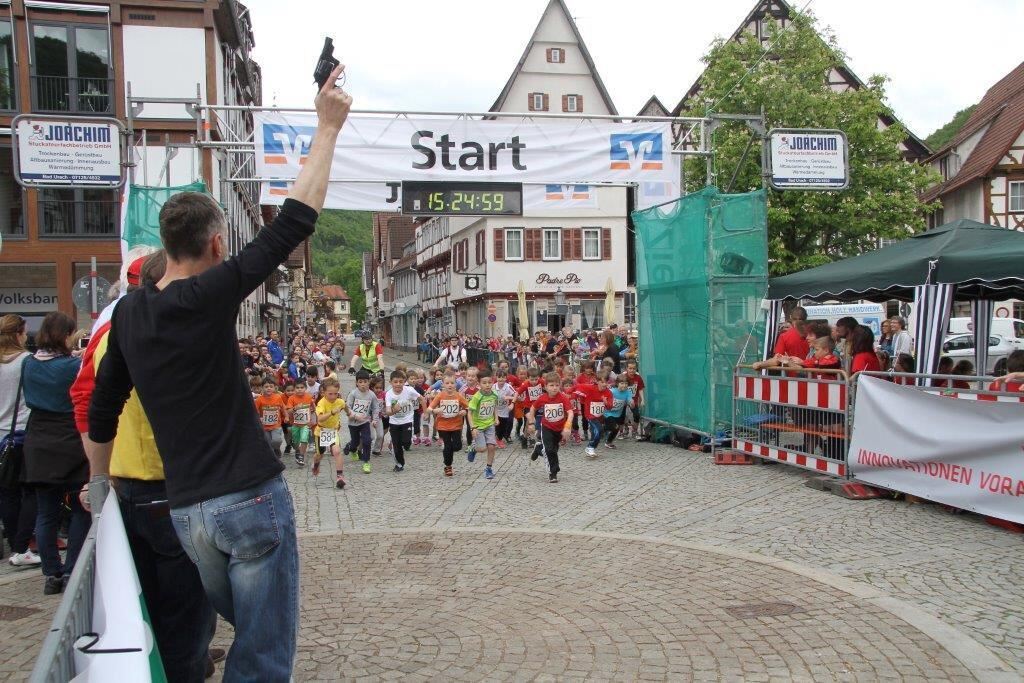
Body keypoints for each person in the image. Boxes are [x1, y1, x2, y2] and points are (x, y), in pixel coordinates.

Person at [86, 64, 352, 681]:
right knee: (260, 654)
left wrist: (100, 490)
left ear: (163, 242)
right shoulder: (211, 295)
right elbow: (295, 221)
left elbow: (103, 408)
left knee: (248, 635)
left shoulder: (127, 314)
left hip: (187, 514)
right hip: (250, 497)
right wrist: (328, 128)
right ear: (214, 245)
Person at [70, 252, 219, 680]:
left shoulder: (106, 336)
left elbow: (84, 403)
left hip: (126, 487)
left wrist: (97, 475)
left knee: (144, 604)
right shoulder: (186, 331)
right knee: (186, 615)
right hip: (179, 486)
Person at [23, 312, 90, 595]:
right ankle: (72, 569)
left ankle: (51, 573)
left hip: (38, 438)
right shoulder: (72, 366)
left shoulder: (27, 364)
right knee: (78, 508)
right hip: (69, 437)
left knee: (46, 511)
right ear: (65, 335)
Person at [0, 315, 36, 568]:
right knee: (29, 492)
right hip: (21, 433)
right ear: (18, 335)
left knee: (7, 493)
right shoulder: (26, 362)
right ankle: (21, 545)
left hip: (0, 435)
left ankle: (14, 542)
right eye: (24, 333)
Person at [526, 372, 574, 483]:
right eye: (551, 385)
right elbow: (532, 408)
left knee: (553, 450)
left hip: (560, 428)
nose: (554, 388)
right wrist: (531, 423)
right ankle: (553, 473)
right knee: (549, 450)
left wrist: (567, 427)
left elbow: (570, 413)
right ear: (546, 387)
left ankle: (538, 449)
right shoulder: (542, 398)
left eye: (557, 385)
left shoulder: (563, 398)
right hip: (546, 427)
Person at [428, 372, 469, 477]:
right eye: (447, 383)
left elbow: (468, 407)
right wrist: (436, 410)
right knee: (448, 446)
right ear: (443, 385)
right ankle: (448, 466)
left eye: (452, 383)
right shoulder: (440, 395)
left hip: (456, 425)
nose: (450, 385)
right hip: (443, 425)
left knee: (457, 446)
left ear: (456, 384)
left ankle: (448, 451)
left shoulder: (459, 396)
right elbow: (430, 408)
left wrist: (464, 411)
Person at [384, 370, 425, 472]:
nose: (398, 384)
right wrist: (394, 410)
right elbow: (388, 412)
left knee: (406, 442)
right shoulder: (389, 394)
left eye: (401, 382)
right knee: (397, 445)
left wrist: (426, 412)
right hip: (394, 423)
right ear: (391, 382)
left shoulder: (409, 390)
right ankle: (399, 464)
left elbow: (421, 399)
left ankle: (407, 443)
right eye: (395, 382)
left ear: (404, 382)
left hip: (407, 420)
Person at [313, 377, 348, 488]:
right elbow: (320, 419)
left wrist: (352, 415)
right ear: (324, 392)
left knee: (337, 451)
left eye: (335, 394)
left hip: (333, 431)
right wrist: (332, 412)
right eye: (330, 394)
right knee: (319, 454)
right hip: (321, 432)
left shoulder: (340, 401)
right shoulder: (321, 403)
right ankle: (316, 464)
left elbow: (346, 408)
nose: (333, 397)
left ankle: (340, 476)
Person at [343, 370, 379, 475]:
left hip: (365, 422)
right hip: (353, 423)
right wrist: (355, 416)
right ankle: (352, 448)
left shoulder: (372, 395)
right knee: (355, 442)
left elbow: (376, 408)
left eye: (365, 382)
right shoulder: (353, 394)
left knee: (367, 440)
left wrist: (375, 420)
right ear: (357, 383)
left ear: (369, 382)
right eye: (360, 382)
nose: (363, 384)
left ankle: (366, 462)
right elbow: (347, 408)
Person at [467, 371, 499, 480]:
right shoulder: (477, 397)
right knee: (482, 449)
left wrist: (496, 417)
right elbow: (469, 413)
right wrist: (473, 427)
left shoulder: (494, 394)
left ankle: (488, 468)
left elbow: (494, 405)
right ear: (479, 384)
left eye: (489, 382)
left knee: (491, 446)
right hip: (478, 426)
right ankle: (473, 448)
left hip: (489, 424)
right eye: (484, 383)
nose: (487, 385)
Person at [575, 370, 613, 458]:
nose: (604, 384)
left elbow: (610, 407)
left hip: (599, 415)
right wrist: (569, 392)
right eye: (602, 382)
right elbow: (577, 386)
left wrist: (606, 402)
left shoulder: (608, 393)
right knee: (598, 430)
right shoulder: (590, 388)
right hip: (590, 415)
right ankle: (590, 447)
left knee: (596, 432)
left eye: (606, 382)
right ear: (597, 381)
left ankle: (591, 448)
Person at [287, 380, 316, 468]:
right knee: (296, 442)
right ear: (294, 389)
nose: (300, 390)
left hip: (305, 425)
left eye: (302, 388)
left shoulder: (308, 397)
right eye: (297, 388)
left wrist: (312, 419)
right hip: (295, 424)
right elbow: (288, 411)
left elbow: (313, 408)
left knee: (304, 439)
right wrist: (295, 408)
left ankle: (301, 457)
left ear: (305, 388)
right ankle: (298, 451)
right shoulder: (291, 398)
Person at [254, 379, 287, 456]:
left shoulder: (278, 397)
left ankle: (276, 448)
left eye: (271, 386)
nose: (269, 388)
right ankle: (272, 456)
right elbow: (255, 411)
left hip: (276, 425)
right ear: (262, 388)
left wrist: (286, 416)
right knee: (268, 442)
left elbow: (283, 408)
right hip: (264, 426)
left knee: (277, 440)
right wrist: (258, 418)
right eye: (266, 387)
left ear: (274, 388)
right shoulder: (259, 400)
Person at [604, 375, 635, 449]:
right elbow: (604, 398)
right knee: (615, 427)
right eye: (622, 383)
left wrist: (632, 403)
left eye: (626, 383)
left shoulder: (627, 392)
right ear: (617, 383)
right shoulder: (612, 391)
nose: (624, 385)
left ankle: (609, 441)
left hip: (618, 414)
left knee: (615, 429)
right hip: (608, 413)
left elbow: (630, 402)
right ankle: (606, 437)